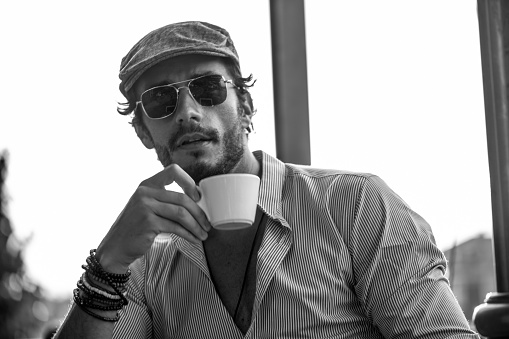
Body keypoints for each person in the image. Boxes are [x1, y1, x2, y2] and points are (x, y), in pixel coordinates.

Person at [54, 21, 479, 338]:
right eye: (161, 99)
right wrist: (106, 265)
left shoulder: (355, 206)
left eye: (208, 88)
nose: (187, 112)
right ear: (144, 131)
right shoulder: (144, 265)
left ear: (246, 105)